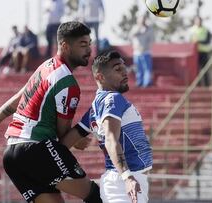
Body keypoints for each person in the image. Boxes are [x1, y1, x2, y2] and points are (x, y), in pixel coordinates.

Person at [0, 21, 102, 203]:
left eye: (90, 44)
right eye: (83, 44)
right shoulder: (68, 83)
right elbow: (63, 138)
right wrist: (78, 139)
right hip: (35, 150)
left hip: (11, 155)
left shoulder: (45, 66)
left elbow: (19, 97)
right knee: (95, 195)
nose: (89, 50)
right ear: (65, 46)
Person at [61, 50, 153, 203]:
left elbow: (64, 143)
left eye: (124, 68)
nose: (125, 73)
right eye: (118, 69)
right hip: (124, 182)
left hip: (122, 181)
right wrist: (127, 177)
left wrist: (76, 140)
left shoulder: (95, 108)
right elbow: (111, 139)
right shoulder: (113, 98)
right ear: (100, 77)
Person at [129, 12, 154, 88]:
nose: (142, 21)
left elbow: (151, 40)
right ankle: (139, 82)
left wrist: (147, 47)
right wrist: (139, 30)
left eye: (143, 19)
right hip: (137, 52)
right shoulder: (135, 28)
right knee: (138, 69)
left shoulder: (149, 29)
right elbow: (131, 36)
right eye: (140, 19)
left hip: (146, 52)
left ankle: (146, 83)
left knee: (147, 69)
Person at [189, 16, 212, 86]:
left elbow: (207, 41)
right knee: (196, 70)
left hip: (204, 52)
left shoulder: (206, 30)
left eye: (199, 20)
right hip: (195, 53)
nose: (198, 22)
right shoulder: (191, 30)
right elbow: (189, 41)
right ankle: (198, 85)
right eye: (197, 20)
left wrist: (198, 41)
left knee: (205, 69)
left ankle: (207, 85)